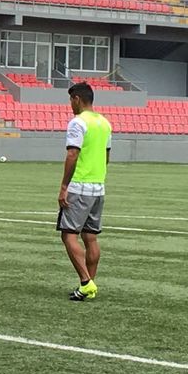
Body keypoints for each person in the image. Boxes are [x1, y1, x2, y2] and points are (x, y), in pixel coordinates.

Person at [58, 82, 112, 301]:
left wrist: (64, 187)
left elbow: (72, 154)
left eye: (71, 100)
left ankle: (85, 281)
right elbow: (107, 156)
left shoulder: (78, 122)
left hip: (79, 186)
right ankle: (89, 284)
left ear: (77, 99)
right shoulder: (105, 123)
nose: (70, 105)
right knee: (90, 237)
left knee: (68, 234)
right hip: (98, 186)